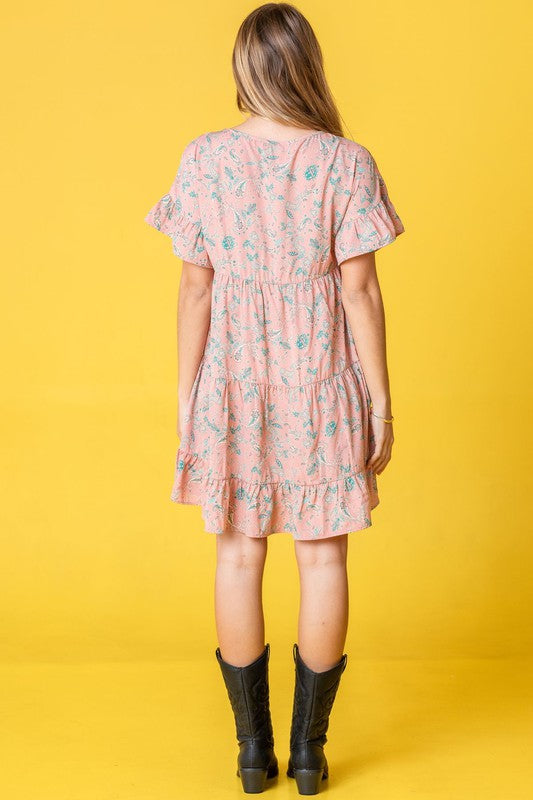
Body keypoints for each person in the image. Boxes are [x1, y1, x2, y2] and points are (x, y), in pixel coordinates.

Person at [144, 3, 405, 794]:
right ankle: (307, 753)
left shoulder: (204, 159)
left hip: (234, 377)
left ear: (243, 69)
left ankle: (251, 753)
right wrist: (380, 402)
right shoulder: (344, 161)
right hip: (321, 375)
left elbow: (196, 288)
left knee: (236, 551)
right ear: (307, 66)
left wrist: (187, 395)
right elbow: (358, 290)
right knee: (322, 554)